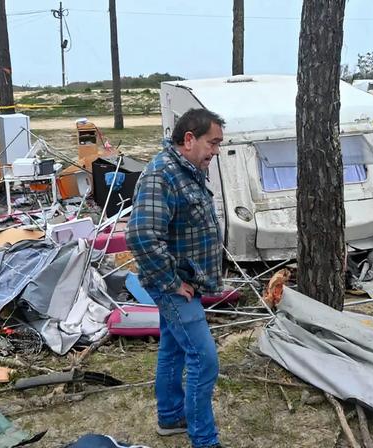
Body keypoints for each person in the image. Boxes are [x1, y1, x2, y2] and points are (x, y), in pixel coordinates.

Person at [126, 108, 226, 448]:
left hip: (186, 281)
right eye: (212, 143)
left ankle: (170, 416)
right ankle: (205, 440)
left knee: (173, 349)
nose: (215, 151)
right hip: (172, 285)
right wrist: (171, 282)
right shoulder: (162, 174)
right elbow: (140, 236)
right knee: (204, 359)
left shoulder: (188, 170)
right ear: (189, 139)